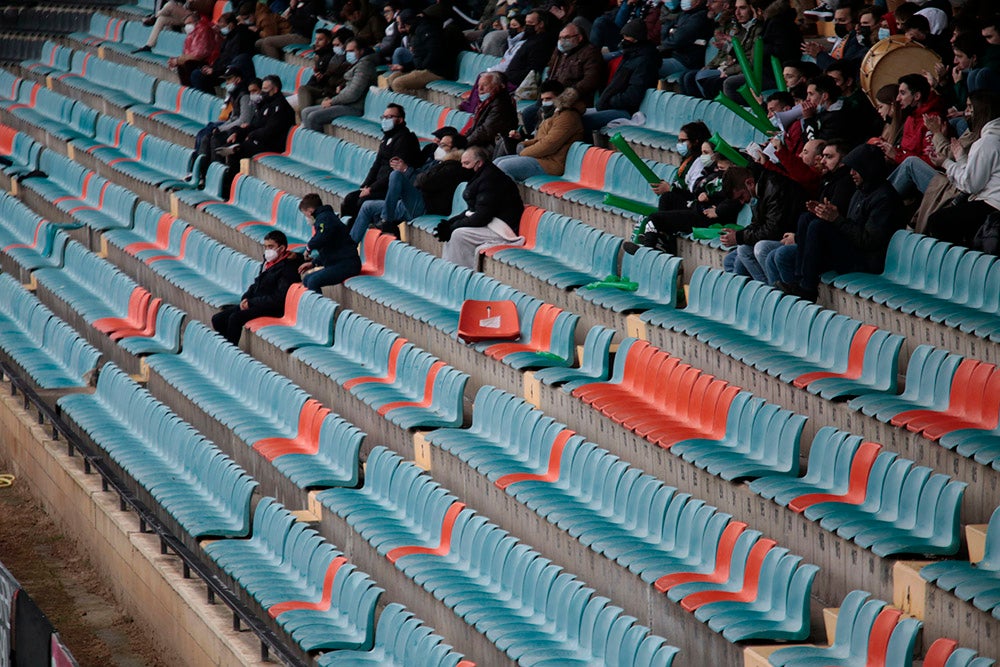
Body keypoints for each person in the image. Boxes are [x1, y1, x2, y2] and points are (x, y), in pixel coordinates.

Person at [778, 143, 905, 299]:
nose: (851, 173)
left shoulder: (884, 198)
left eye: (856, 169)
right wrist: (826, 214)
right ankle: (801, 280)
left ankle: (807, 288)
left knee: (818, 227)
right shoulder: (862, 190)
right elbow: (850, 224)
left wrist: (836, 219)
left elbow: (868, 241)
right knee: (807, 218)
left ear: (868, 168)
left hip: (868, 260)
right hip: (855, 250)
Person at [350, 131, 470, 241]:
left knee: (396, 175)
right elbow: (420, 178)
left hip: (424, 206)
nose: (438, 148)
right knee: (367, 206)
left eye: (443, 145)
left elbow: (424, 182)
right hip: (411, 203)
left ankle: (387, 221)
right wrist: (416, 175)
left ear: (455, 150)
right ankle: (350, 247)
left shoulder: (452, 167)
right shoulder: (437, 163)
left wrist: (409, 171)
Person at [926, 90, 1000, 249]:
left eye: (969, 108)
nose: (966, 113)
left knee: (938, 222)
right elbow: (979, 175)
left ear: (979, 111)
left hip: (992, 205)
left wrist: (946, 163)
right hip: (992, 202)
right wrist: (961, 158)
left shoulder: (987, 142)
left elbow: (971, 184)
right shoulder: (994, 138)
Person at [435, 146, 525, 269]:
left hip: (503, 228)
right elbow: (472, 210)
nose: (463, 168)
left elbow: (482, 216)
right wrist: (450, 223)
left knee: (458, 234)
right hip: (492, 222)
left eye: (467, 163)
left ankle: (463, 274)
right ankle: (449, 270)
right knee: (451, 232)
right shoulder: (479, 177)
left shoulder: (491, 179)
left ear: (479, 163)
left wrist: (453, 227)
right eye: (462, 163)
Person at [212, 230, 302, 344]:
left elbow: (278, 299)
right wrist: (246, 298)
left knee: (235, 318)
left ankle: (230, 349)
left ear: (282, 248)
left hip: (271, 307)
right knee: (218, 319)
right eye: (266, 247)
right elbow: (257, 283)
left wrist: (252, 303)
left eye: (271, 246)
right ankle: (227, 346)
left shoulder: (287, 269)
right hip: (256, 302)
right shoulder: (268, 262)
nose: (267, 250)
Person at [720, 165, 805, 282]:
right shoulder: (759, 190)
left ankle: (776, 292)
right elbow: (757, 223)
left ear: (749, 183)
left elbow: (773, 230)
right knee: (737, 255)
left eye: (741, 196)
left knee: (760, 248)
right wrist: (739, 235)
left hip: (792, 236)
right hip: (777, 235)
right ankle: (763, 294)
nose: (742, 201)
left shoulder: (774, 188)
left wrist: (739, 237)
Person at [340, 103, 422, 219]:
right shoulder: (387, 137)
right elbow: (376, 165)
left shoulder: (405, 139)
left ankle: (366, 232)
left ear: (400, 120)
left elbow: (394, 172)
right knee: (350, 199)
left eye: (389, 117)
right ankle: (346, 231)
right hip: (378, 186)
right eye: (384, 117)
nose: (385, 120)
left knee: (362, 202)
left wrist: (371, 189)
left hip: (391, 189)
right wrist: (365, 185)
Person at [521, 21, 604, 133]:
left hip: (574, 100)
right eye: (560, 38)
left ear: (579, 38)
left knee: (533, 114)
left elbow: (591, 79)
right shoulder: (559, 53)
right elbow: (550, 74)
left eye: (566, 37)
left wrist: (571, 93)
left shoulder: (590, 52)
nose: (562, 41)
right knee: (529, 112)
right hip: (553, 95)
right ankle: (537, 139)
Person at [494, 87, 586, 181]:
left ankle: (508, 196)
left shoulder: (567, 117)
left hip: (553, 164)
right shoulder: (555, 114)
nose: (545, 102)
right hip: (544, 158)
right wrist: (523, 144)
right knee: (496, 163)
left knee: (504, 166)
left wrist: (523, 152)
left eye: (549, 99)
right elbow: (540, 139)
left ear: (559, 98)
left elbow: (549, 145)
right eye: (543, 99)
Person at [584, 18, 659, 131]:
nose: (624, 40)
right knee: (575, 116)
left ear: (636, 39)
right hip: (610, 105)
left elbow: (633, 95)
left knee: (582, 121)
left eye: (627, 37)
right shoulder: (630, 55)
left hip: (625, 111)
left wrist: (610, 101)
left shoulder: (644, 61)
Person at [194, 70, 260, 186]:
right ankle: (201, 174)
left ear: (238, 80)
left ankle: (217, 177)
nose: (227, 82)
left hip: (239, 131)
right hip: (233, 128)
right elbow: (233, 117)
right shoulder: (236, 94)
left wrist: (222, 129)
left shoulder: (244, 95)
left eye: (229, 79)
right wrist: (221, 127)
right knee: (206, 136)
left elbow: (243, 120)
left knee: (216, 140)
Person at [299, 38, 378, 132]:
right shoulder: (357, 64)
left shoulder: (364, 66)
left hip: (355, 106)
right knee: (305, 112)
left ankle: (316, 144)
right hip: (346, 103)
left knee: (313, 117)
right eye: (347, 51)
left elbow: (353, 94)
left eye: (352, 51)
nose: (349, 54)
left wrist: (332, 101)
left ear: (361, 51)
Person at [298, 194, 361, 292]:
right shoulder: (324, 218)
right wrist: (313, 263)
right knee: (307, 279)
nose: (306, 218)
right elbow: (330, 250)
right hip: (337, 262)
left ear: (310, 211)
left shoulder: (325, 219)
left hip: (347, 264)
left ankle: (317, 307)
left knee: (313, 282)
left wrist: (309, 248)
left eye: (305, 214)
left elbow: (322, 237)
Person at [878, 73, 944, 167]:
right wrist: (891, 152)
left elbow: (932, 162)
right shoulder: (910, 118)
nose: (897, 99)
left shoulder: (932, 120)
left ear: (917, 96)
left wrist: (897, 156)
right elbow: (906, 151)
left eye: (903, 93)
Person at [387, 9, 452, 93]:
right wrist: (404, 67)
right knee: (392, 78)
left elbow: (435, 53)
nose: (401, 27)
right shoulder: (415, 32)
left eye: (401, 24)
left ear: (407, 23)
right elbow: (418, 58)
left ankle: (411, 105)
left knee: (398, 84)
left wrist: (422, 67)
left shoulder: (427, 29)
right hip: (425, 68)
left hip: (436, 71)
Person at [190, 11, 256, 92]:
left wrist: (215, 71)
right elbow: (222, 57)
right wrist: (211, 68)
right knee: (196, 73)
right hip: (221, 70)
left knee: (197, 76)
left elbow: (232, 59)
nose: (220, 30)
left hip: (229, 71)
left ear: (231, 25)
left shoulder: (240, 36)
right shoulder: (229, 37)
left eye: (222, 27)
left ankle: (210, 100)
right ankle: (208, 100)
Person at [657, 0, 714, 80]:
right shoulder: (685, 13)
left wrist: (670, 34)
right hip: (675, 56)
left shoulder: (700, 17)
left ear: (698, 2)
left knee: (647, 66)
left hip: (686, 62)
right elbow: (666, 28)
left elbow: (677, 40)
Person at [463, 72, 519, 148]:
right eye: (478, 85)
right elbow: (475, 128)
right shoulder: (486, 102)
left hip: (491, 146)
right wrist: (461, 141)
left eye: (485, 85)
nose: (480, 89)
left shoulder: (501, 104)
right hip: (481, 142)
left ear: (497, 86)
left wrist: (463, 145)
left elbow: (485, 131)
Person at [801, 4, 867, 69]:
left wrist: (819, 54)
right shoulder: (845, 37)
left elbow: (842, 70)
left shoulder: (857, 41)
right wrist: (823, 53)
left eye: (842, 20)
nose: (838, 24)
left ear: (855, 22)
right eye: (836, 20)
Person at [166, 11, 221, 86]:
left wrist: (178, 60)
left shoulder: (204, 29)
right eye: (186, 24)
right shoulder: (191, 34)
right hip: (199, 61)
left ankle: (194, 90)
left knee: (188, 64)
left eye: (189, 23)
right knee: (182, 65)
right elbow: (187, 53)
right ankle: (188, 91)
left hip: (210, 61)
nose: (187, 26)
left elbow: (199, 55)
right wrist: (178, 60)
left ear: (197, 22)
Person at [255, 0, 324, 59]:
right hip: (293, 32)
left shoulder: (313, 4)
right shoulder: (301, 4)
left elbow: (306, 25)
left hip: (303, 36)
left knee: (268, 42)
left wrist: (290, 18)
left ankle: (275, 70)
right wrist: (292, 8)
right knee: (259, 43)